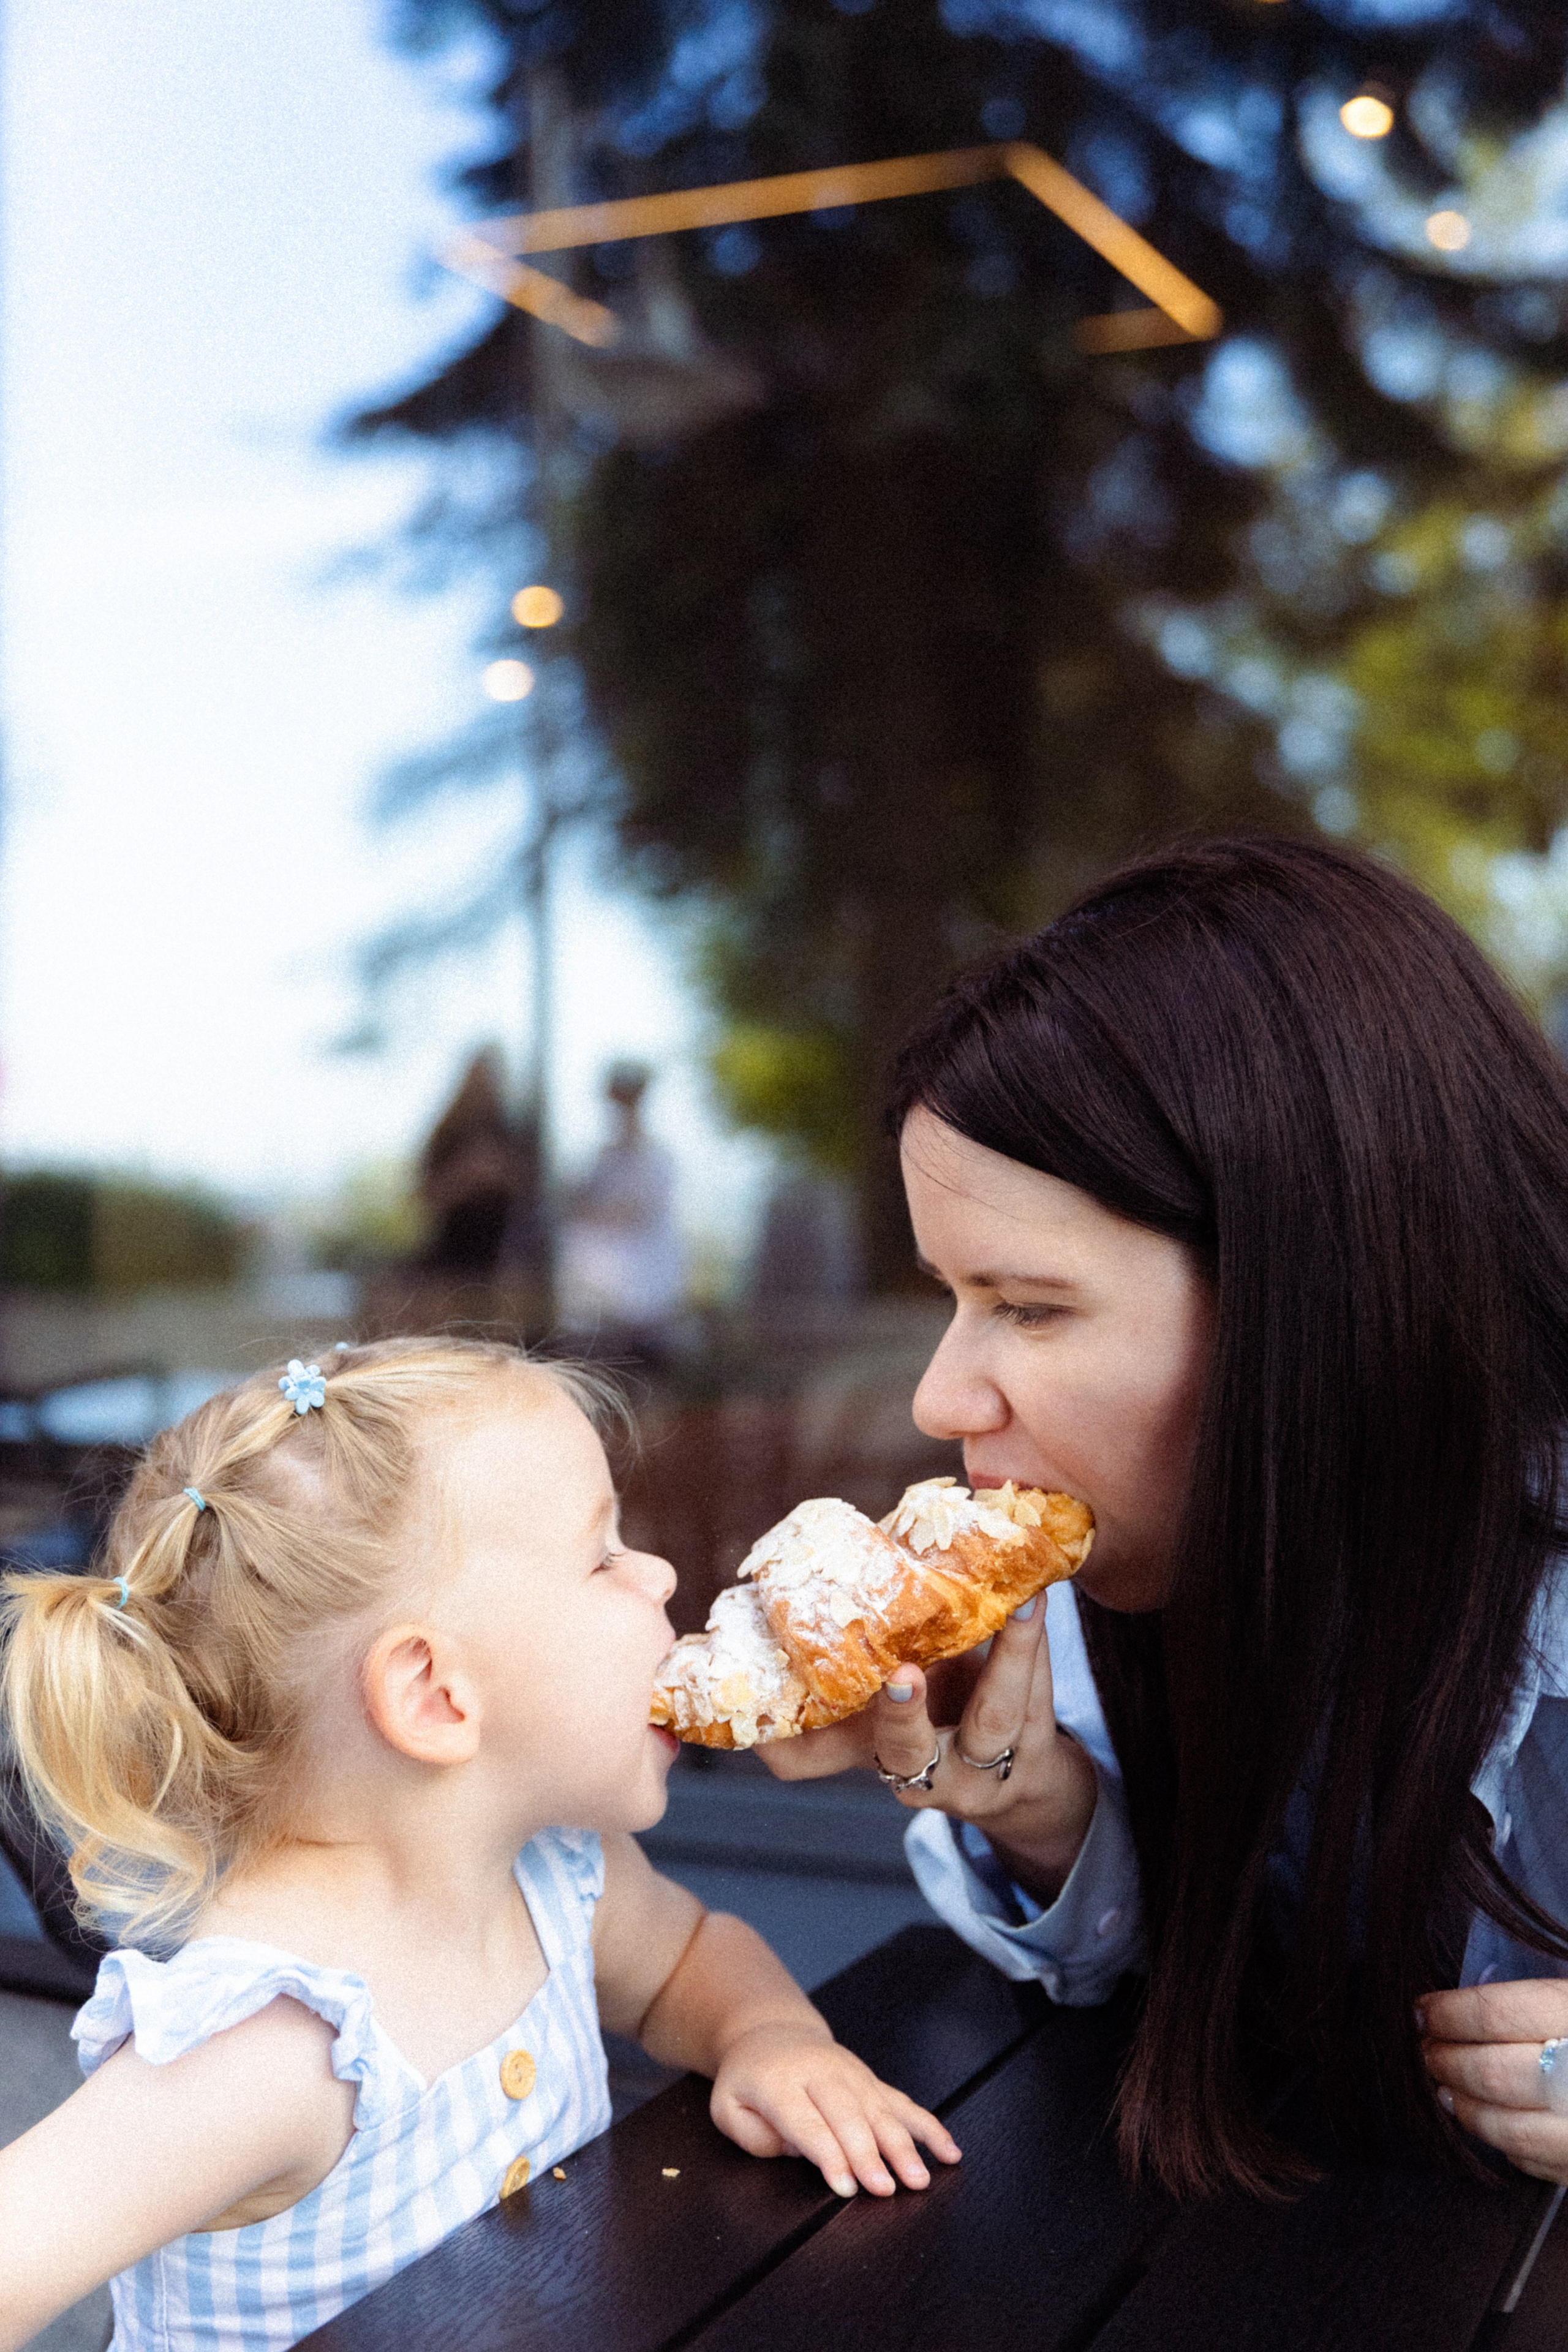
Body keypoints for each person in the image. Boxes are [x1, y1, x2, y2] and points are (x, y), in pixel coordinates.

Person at [763, 839, 1568, 2199]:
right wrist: (1042, 1814)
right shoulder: (1131, 1585)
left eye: (1028, 1306)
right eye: (951, 1298)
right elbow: (1196, 1965)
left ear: (1318, 1301)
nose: (941, 1398)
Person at [0, 1339, 957, 2351]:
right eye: (603, 1555)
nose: (661, 1571)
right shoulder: (270, 2045)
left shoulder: (556, 1875)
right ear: (436, 1695)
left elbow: (685, 1959)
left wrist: (768, 2037)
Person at [556, 1061, 686, 1352]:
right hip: (595, 1298)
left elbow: (630, 1214)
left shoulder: (655, 1158)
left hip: (638, 1294)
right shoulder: (603, 1157)